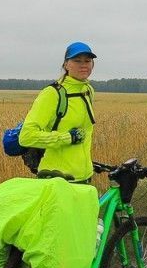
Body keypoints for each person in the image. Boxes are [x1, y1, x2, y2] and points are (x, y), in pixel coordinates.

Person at [18, 42, 97, 183]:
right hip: (56, 178)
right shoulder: (52, 94)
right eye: (77, 60)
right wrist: (67, 138)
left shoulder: (87, 91)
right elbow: (26, 137)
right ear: (66, 65)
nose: (83, 65)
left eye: (87, 61)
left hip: (84, 177)